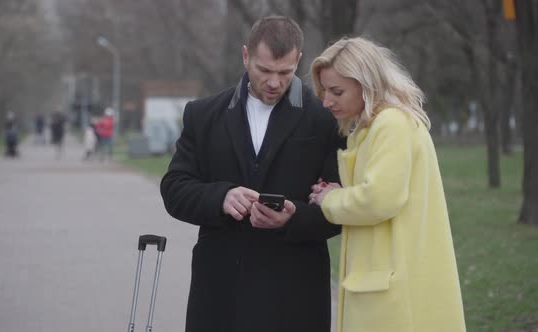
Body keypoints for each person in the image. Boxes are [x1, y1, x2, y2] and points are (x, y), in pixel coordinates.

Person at [160, 16, 344, 332]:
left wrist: (294, 216)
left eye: (286, 72)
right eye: (264, 70)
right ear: (246, 57)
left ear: (299, 61)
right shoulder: (202, 114)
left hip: (296, 293)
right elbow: (174, 188)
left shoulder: (326, 119)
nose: (274, 82)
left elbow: (343, 203)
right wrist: (221, 196)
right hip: (219, 291)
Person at [308, 37, 466, 332]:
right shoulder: (378, 126)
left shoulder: (391, 124)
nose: (327, 101)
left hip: (393, 294)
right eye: (324, 91)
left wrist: (330, 198)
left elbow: (378, 199)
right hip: (387, 285)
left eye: (336, 91)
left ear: (365, 83)